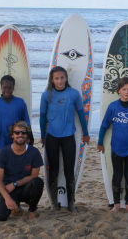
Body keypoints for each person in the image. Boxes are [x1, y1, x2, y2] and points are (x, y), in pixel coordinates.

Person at [39, 66, 90, 212]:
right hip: (51, 138)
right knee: (53, 171)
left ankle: (71, 202)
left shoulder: (73, 94)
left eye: (62, 77)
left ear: (66, 78)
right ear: (52, 80)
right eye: (56, 78)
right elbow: (42, 117)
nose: (60, 81)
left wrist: (86, 133)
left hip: (68, 137)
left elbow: (81, 114)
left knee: (69, 171)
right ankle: (54, 203)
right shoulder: (46, 95)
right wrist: (43, 136)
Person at [98, 77, 128, 213]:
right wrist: (100, 142)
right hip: (116, 147)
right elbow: (104, 126)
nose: (127, 92)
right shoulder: (113, 107)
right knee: (117, 175)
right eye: (124, 89)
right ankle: (115, 204)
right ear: (118, 91)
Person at [0, 121, 44, 221]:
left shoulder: (34, 152)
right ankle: (14, 205)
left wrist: (15, 184)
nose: (20, 135)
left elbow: (33, 176)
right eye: (17, 132)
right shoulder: (4, 152)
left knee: (38, 182)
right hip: (8, 190)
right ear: (12, 135)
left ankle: (32, 210)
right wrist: (7, 199)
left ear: (27, 135)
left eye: (23, 133)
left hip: (25, 189)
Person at [0, 75, 33, 154]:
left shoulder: (20, 103)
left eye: (10, 87)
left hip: (18, 143)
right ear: (1, 87)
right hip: (1, 143)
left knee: (17, 166)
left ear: (13, 88)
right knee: (1, 166)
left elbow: (26, 123)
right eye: (5, 87)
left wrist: (31, 138)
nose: (7, 90)